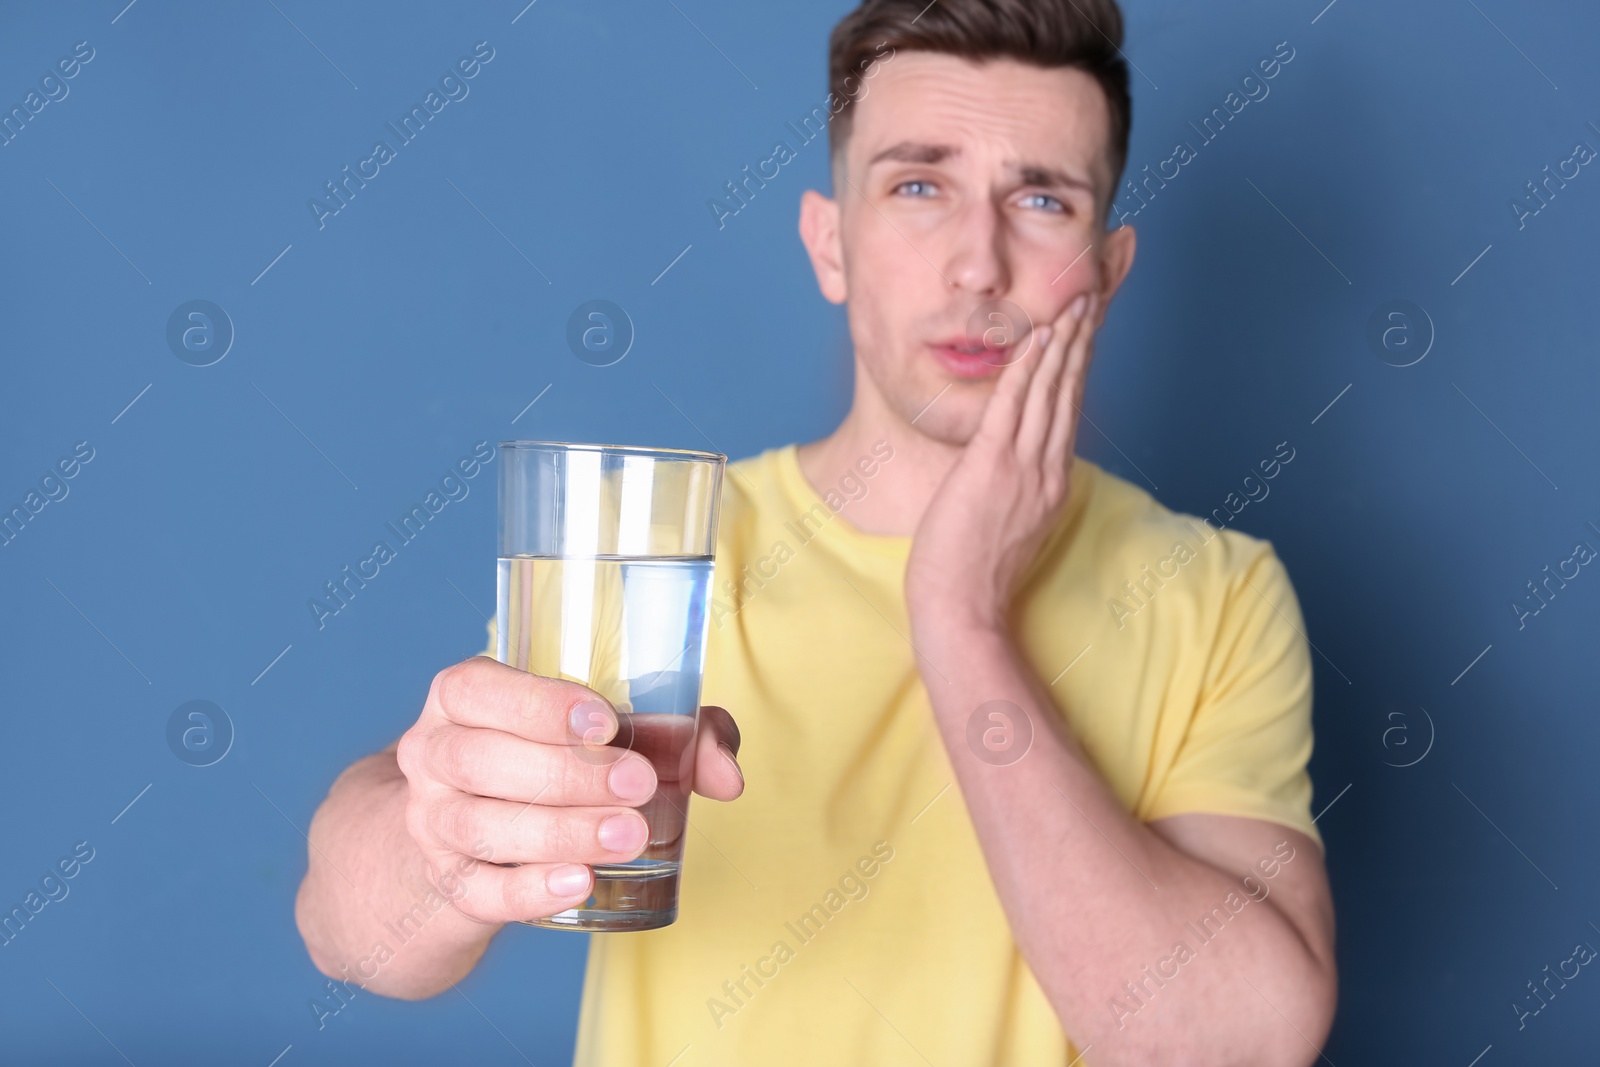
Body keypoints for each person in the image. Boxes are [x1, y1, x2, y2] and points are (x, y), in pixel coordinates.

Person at [295, 0, 1338, 1062]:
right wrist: (439, 841)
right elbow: (348, 930)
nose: (978, 265)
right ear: (830, 243)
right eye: (917, 186)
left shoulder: (1215, 592)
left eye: (1038, 197)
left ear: (1106, 275)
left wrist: (960, 615)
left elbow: (1237, 1044)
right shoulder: (665, 550)